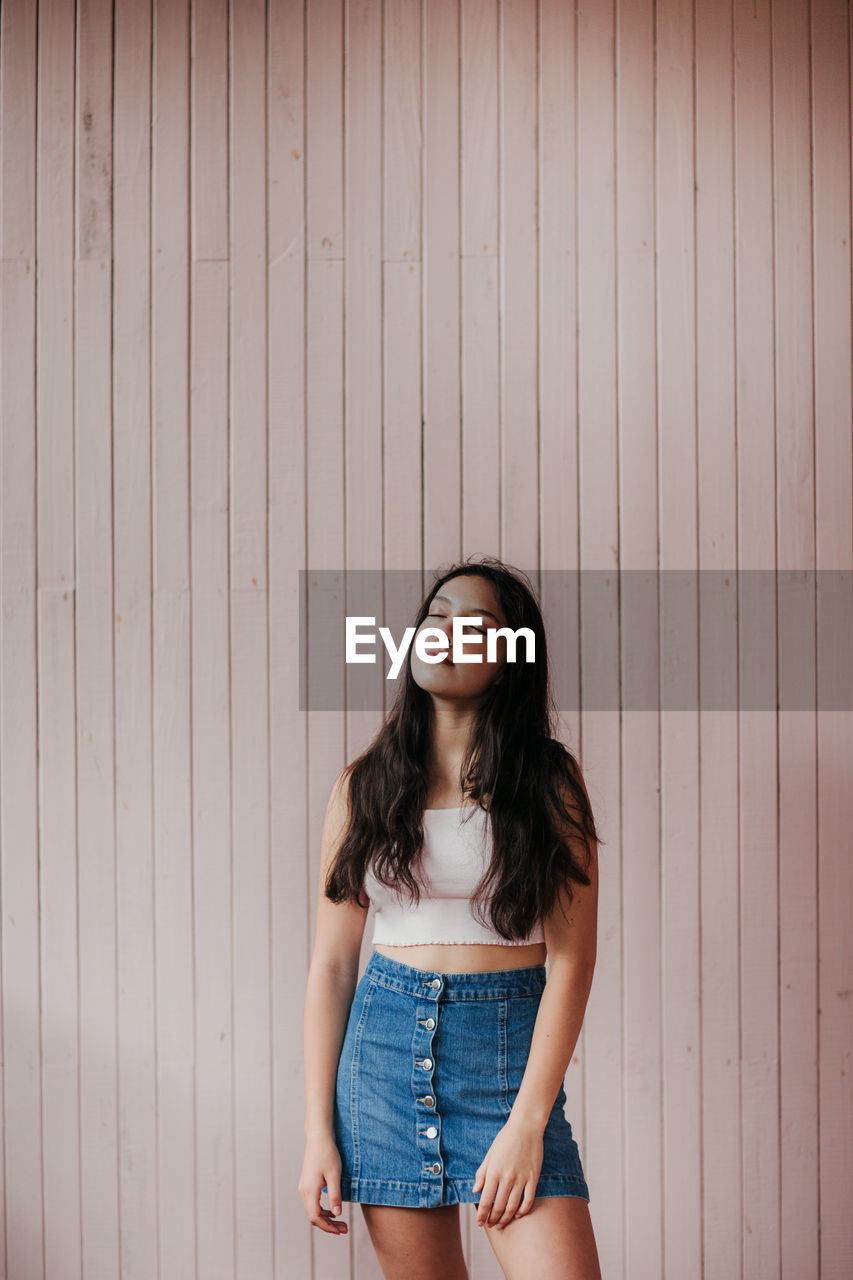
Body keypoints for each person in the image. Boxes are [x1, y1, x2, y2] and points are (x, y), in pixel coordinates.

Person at [298, 557, 603, 1280]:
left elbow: (571, 960)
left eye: (476, 625)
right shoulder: (362, 785)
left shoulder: (547, 783)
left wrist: (527, 1124)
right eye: (435, 618)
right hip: (379, 1062)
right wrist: (317, 1131)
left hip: (503, 1063)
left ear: (510, 659)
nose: (445, 634)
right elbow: (334, 965)